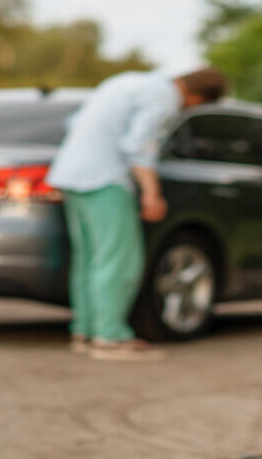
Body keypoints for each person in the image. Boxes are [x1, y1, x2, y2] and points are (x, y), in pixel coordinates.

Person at [45, 68, 228, 361]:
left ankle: (86, 331)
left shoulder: (125, 82)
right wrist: (151, 192)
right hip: (105, 178)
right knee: (120, 260)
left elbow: (75, 122)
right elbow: (138, 146)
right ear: (196, 97)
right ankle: (110, 337)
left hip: (70, 174)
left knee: (90, 259)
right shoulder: (164, 97)